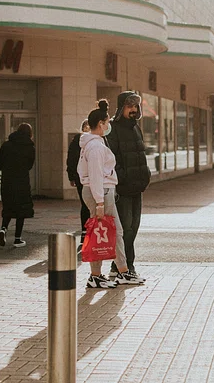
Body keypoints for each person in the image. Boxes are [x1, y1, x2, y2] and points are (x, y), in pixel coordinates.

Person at [77, 100, 133, 288]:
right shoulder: (95, 147)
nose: (109, 126)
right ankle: (104, 274)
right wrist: (100, 202)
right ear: (100, 124)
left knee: (111, 231)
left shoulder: (93, 144)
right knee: (106, 231)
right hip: (100, 192)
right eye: (107, 122)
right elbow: (95, 176)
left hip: (100, 191)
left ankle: (118, 271)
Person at [107, 91, 151, 284]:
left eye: (135, 106)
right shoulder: (113, 129)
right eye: (129, 106)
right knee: (125, 229)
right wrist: (122, 178)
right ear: (121, 108)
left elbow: (141, 155)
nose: (133, 109)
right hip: (123, 188)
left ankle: (117, 266)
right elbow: (111, 158)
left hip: (137, 187)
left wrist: (145, 175)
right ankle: (127, 268)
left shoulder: (136, 128)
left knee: (133, 228)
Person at [0, 123, 35, 248]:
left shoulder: (6, 145)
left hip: (7, 181)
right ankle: (17, 239)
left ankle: (3, 228)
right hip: (22, 181)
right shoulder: (29, 147)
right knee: (21, 210)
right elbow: (29, 165)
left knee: (8, 207)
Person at [67, 119, 91, 245]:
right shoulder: (90, 140)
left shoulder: (77, 141)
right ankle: (87, 232)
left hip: (80, 176)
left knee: (85, 204)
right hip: (85, 177)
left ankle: (85, 233)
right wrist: (71, 176)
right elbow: (71, 159)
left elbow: (70, 159)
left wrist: (71, 176)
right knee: (88, 204)